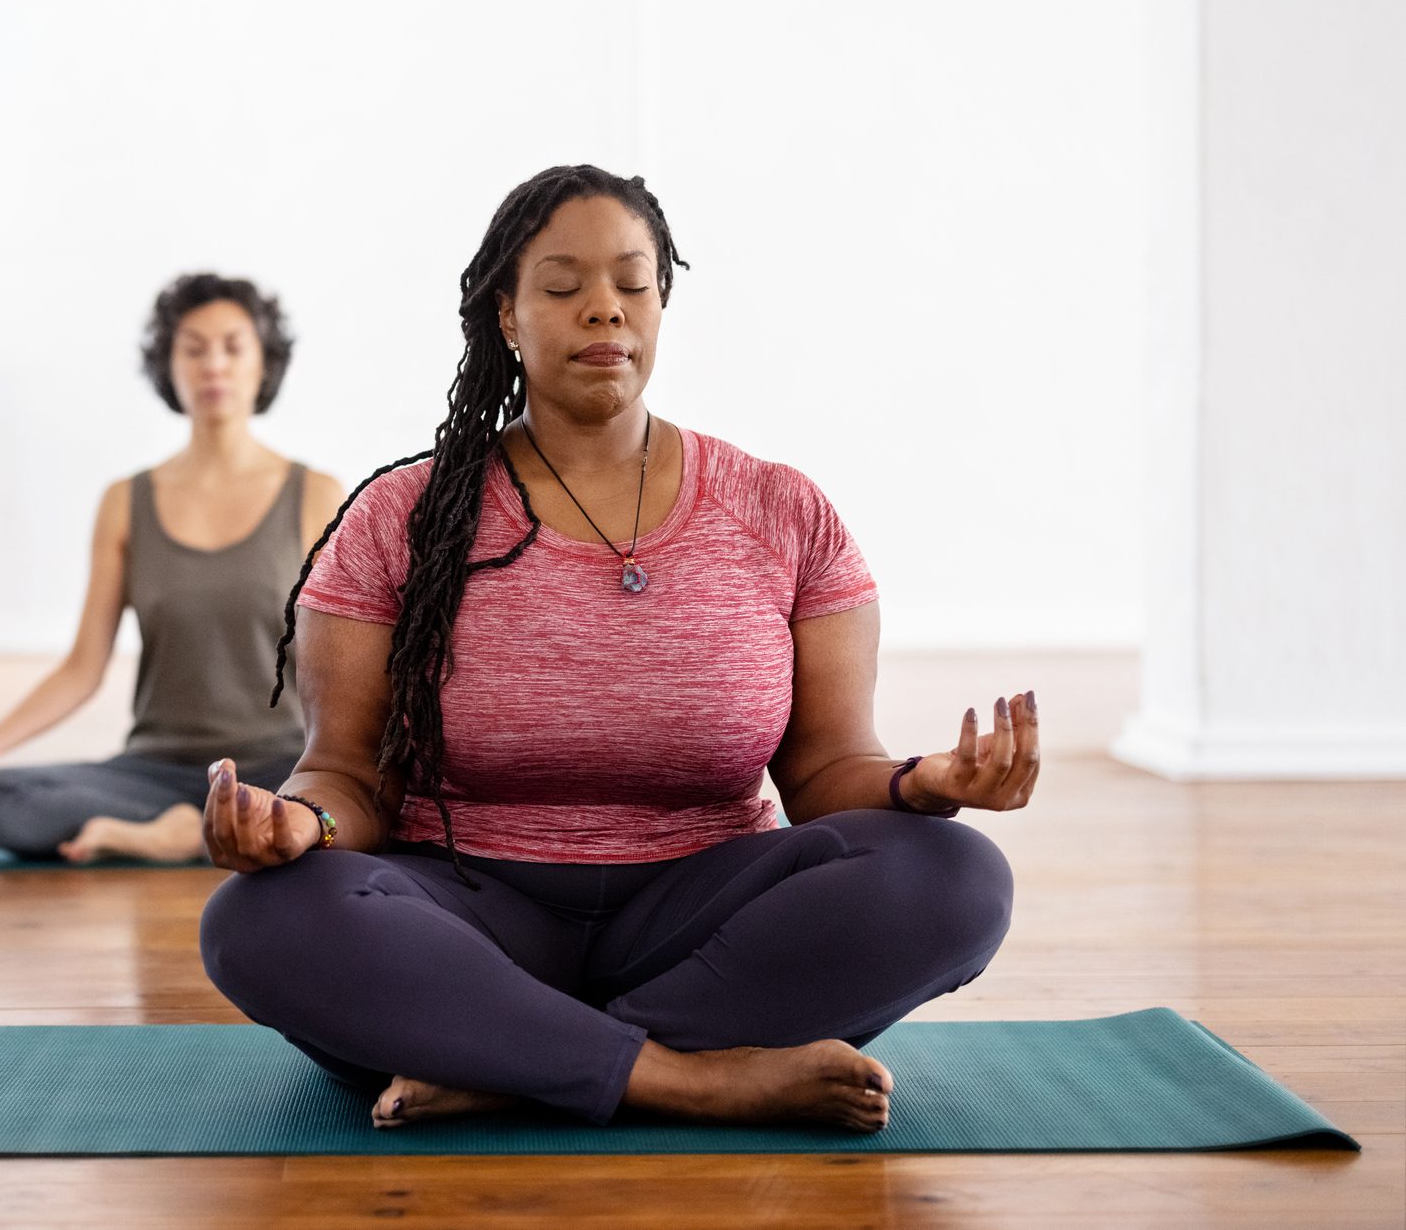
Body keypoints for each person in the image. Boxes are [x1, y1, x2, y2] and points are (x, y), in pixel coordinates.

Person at [197, 165, 1033, 1132]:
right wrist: (304, 826)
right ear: (507, 316)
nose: (603, 310)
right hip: (471, 909)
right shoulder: (399, 518)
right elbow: (344, 772)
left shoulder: (781, 509)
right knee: (259, 918)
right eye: (562, 287)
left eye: (633, 285)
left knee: (956, 878)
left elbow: (826, 769)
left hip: (702, 912)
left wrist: (919, 786)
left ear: (663, 304)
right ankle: (692, 1078)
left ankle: (511, 1061)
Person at [0, 273, 344, 863]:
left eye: (234, 347)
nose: (214, 364)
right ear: (170, 367)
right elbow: (83, 668)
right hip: (152, 772)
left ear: (264, 364)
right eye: (194, 348)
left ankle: (198, 829)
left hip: (280, 761)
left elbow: (345, 660)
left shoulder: (315, 494)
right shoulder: (124, 503)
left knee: (358, 799)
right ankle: (189, 828)